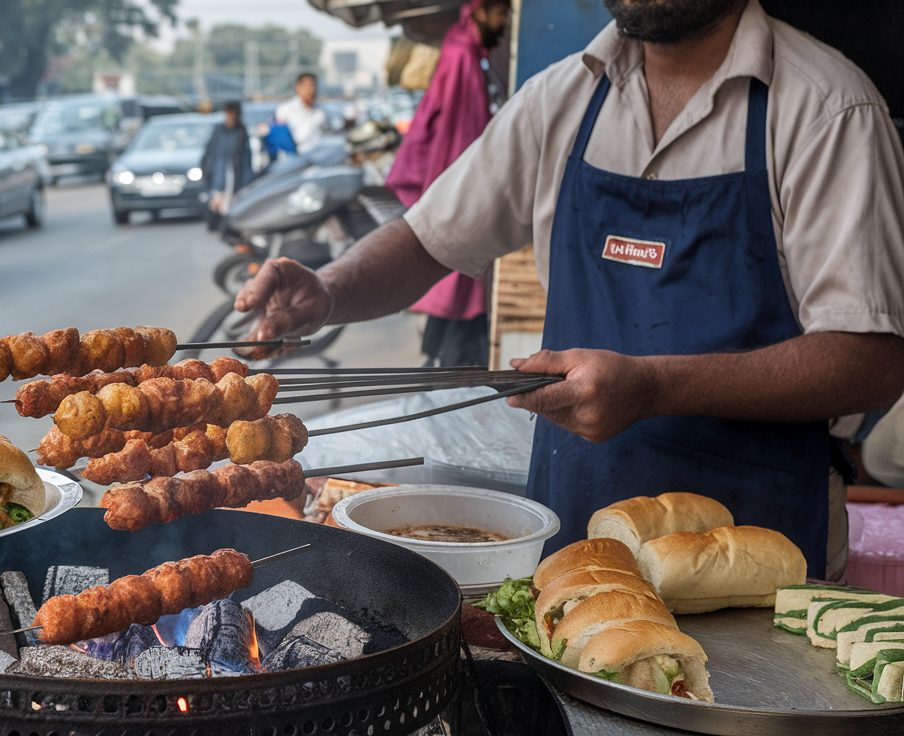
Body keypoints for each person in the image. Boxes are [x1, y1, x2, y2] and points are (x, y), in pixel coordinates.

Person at [235, 0, 904, 582]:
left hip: (759, 543)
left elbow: (872, 360)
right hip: (576, 535)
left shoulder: (828, 110)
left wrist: (651, 388)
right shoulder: (561, 99)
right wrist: (328, 289)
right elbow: (426, 240)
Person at [386, 0, 513, 368]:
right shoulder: (461, 56)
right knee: (462, 285)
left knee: (458, 289)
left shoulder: (471, 53)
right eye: (502, 12)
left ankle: (438, 360)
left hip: (463, 191)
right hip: (462, 193)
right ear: (480, 10)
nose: (505, 22)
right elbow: (456, 137)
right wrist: (462, 201)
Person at [200, 101, 254, 227]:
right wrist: (206, 172)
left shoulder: (241, 132)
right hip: (216, 176)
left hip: (234, 179)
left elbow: (246, 160)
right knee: (215, 206)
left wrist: (246, 183)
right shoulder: (218, 130)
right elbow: (209, 153)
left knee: (230, 208)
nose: (230, 118)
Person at [274, 72, 327, 154]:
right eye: (307, 86)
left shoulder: (320, 112)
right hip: (292, 157)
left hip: (317, 157)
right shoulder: (284, 110)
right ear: (298, 87)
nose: (310, 90)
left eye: (313, 86)